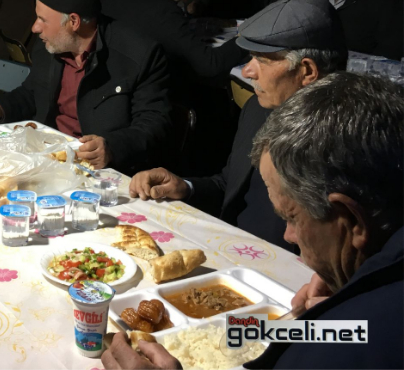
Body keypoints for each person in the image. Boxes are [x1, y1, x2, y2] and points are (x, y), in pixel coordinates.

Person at [104, 73, 404, 370]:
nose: (288, 235)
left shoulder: (356, 345)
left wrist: (339, 313)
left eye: (291, 217)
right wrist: (331, 304)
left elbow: (356, 337)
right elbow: (348, 332)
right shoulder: (364, 301)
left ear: (350, 219)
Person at [129, 0, 347, 249]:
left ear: (307, 71)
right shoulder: (258, 108)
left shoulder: (346, 141)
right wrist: (185, 187)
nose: (246, 71)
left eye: (262, 60)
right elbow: (230, 186)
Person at [0, 0, 172, 174]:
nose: (35, 28)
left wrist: (112, 147)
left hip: (101, 171)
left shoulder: (139, 55)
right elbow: (32, 93)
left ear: (73, 21)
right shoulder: (49, 47)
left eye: (43, 20)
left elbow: (154, 124)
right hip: (47, 159)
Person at [101, 0, 246, 103]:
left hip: (105, 93)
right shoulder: (162, 12)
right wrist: (247, 40)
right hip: (143, 102)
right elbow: (210, 63)